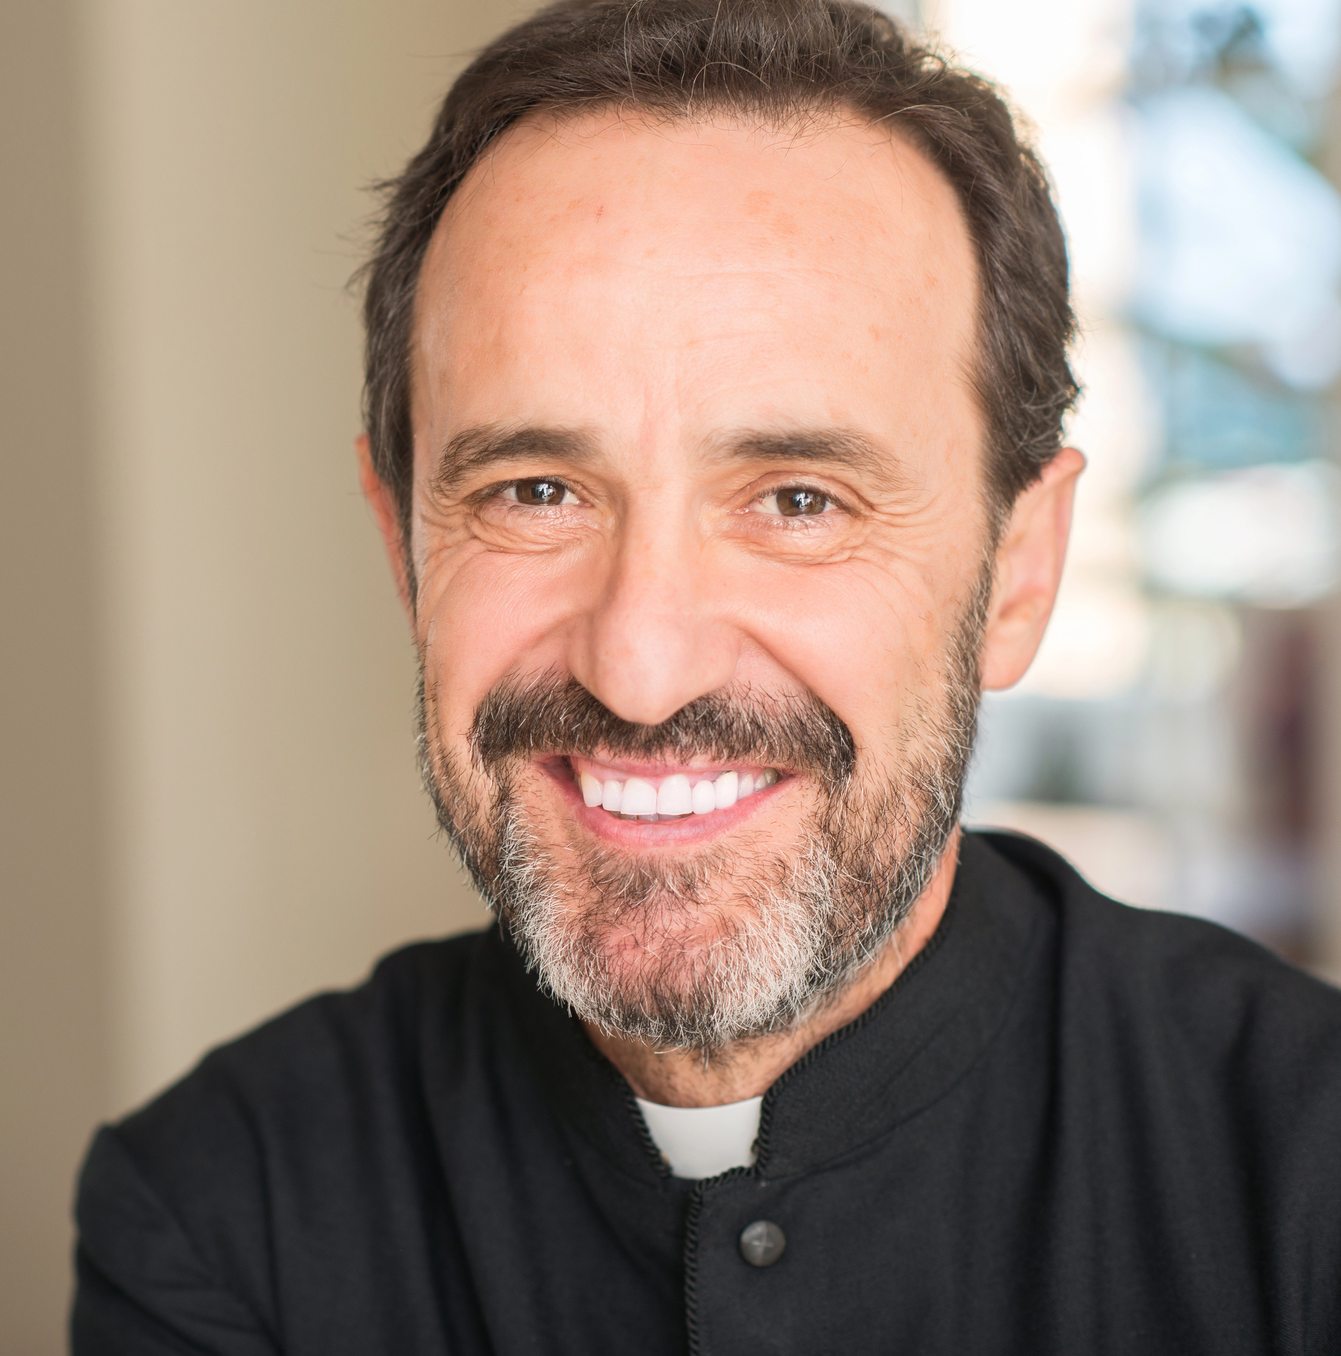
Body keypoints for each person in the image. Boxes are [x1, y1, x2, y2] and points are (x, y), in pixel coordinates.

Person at [71, 2, 1341, 1350]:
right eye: (537, 491)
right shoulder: (229, 1204)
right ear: (408, 555)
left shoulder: (1306, 1170)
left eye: (797, 499)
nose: (641, 665)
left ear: (1018, 573)